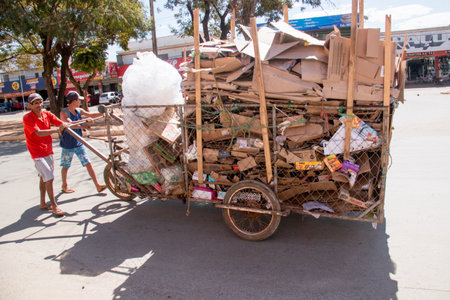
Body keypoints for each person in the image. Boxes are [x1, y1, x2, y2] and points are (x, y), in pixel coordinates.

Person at [23, 93, 69, 217]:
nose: (39, 105)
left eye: (40, 102)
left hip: (47, 151)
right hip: (37, 153)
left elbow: (60, 123)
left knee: (44, 177)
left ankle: (43, 203)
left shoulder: (46, 114)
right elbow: (38, 133)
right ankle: (54, 206)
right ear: (30, 105)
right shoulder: (27, 118)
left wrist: (71, 124)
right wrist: (56, 130)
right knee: (49, 177)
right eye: (35, 103)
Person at [59, 91, 106, 194]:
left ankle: (97, 185)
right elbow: (69, 124)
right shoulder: (64, 112)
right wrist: (83, 124)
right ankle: (64, 185)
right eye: (79, 100)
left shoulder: (79, 110)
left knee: (88, 163)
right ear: (74, 101)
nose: (80, 101)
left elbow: (91, 114)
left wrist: (103, 113)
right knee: (66, 166)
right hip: (68, 144)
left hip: (78, 142)